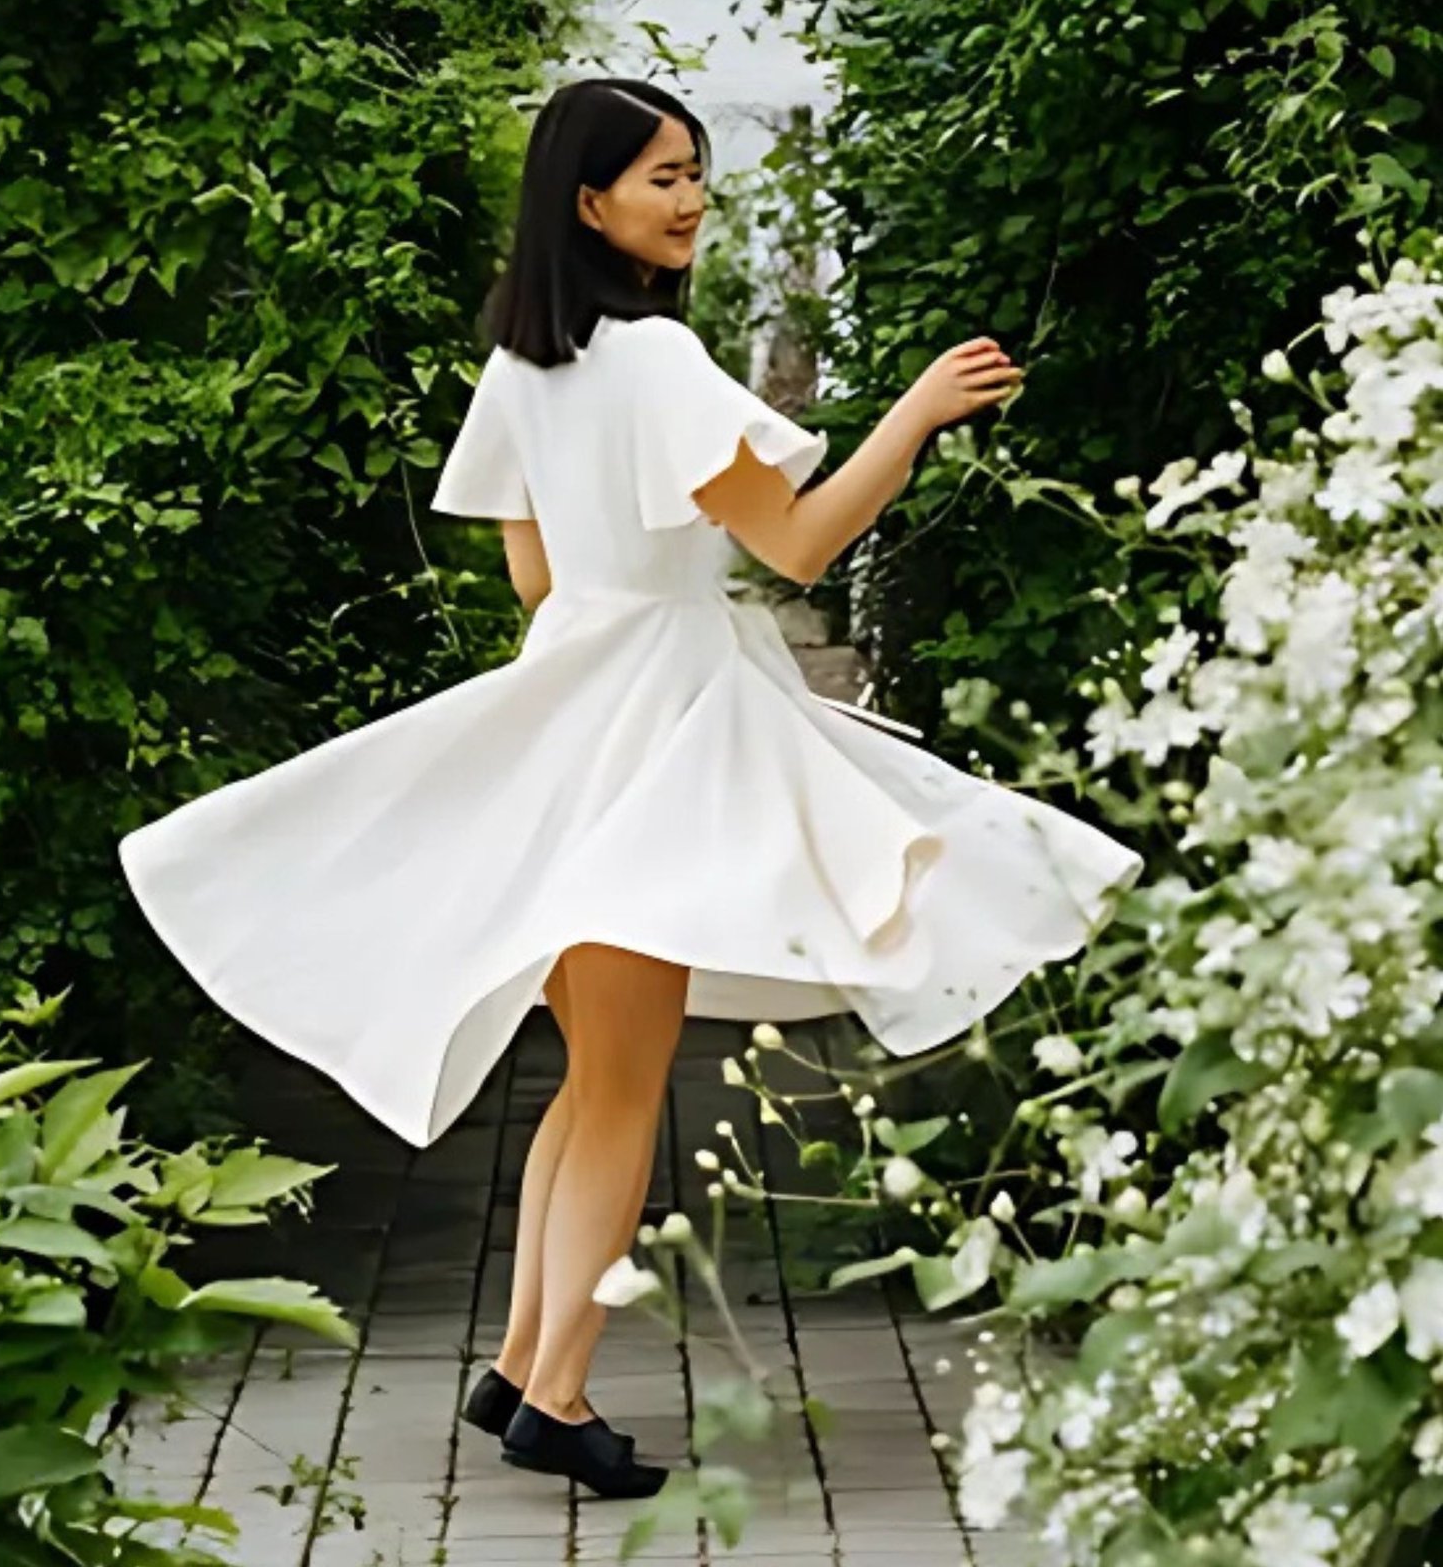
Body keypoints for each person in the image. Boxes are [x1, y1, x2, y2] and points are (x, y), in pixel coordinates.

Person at [118, 77, 1144, 1501]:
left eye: (696, 172)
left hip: (578, 712)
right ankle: (555, 1394)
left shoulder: (524, 365)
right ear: (588, 199)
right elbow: (798, 548)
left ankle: (521, 1367)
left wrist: (611, 628)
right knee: (619, 1088)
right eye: (665, 176)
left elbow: (534, 579)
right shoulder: (658, 362)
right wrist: (913, 415)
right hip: (664, 719)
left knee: (591, 1083)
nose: (692, 198)